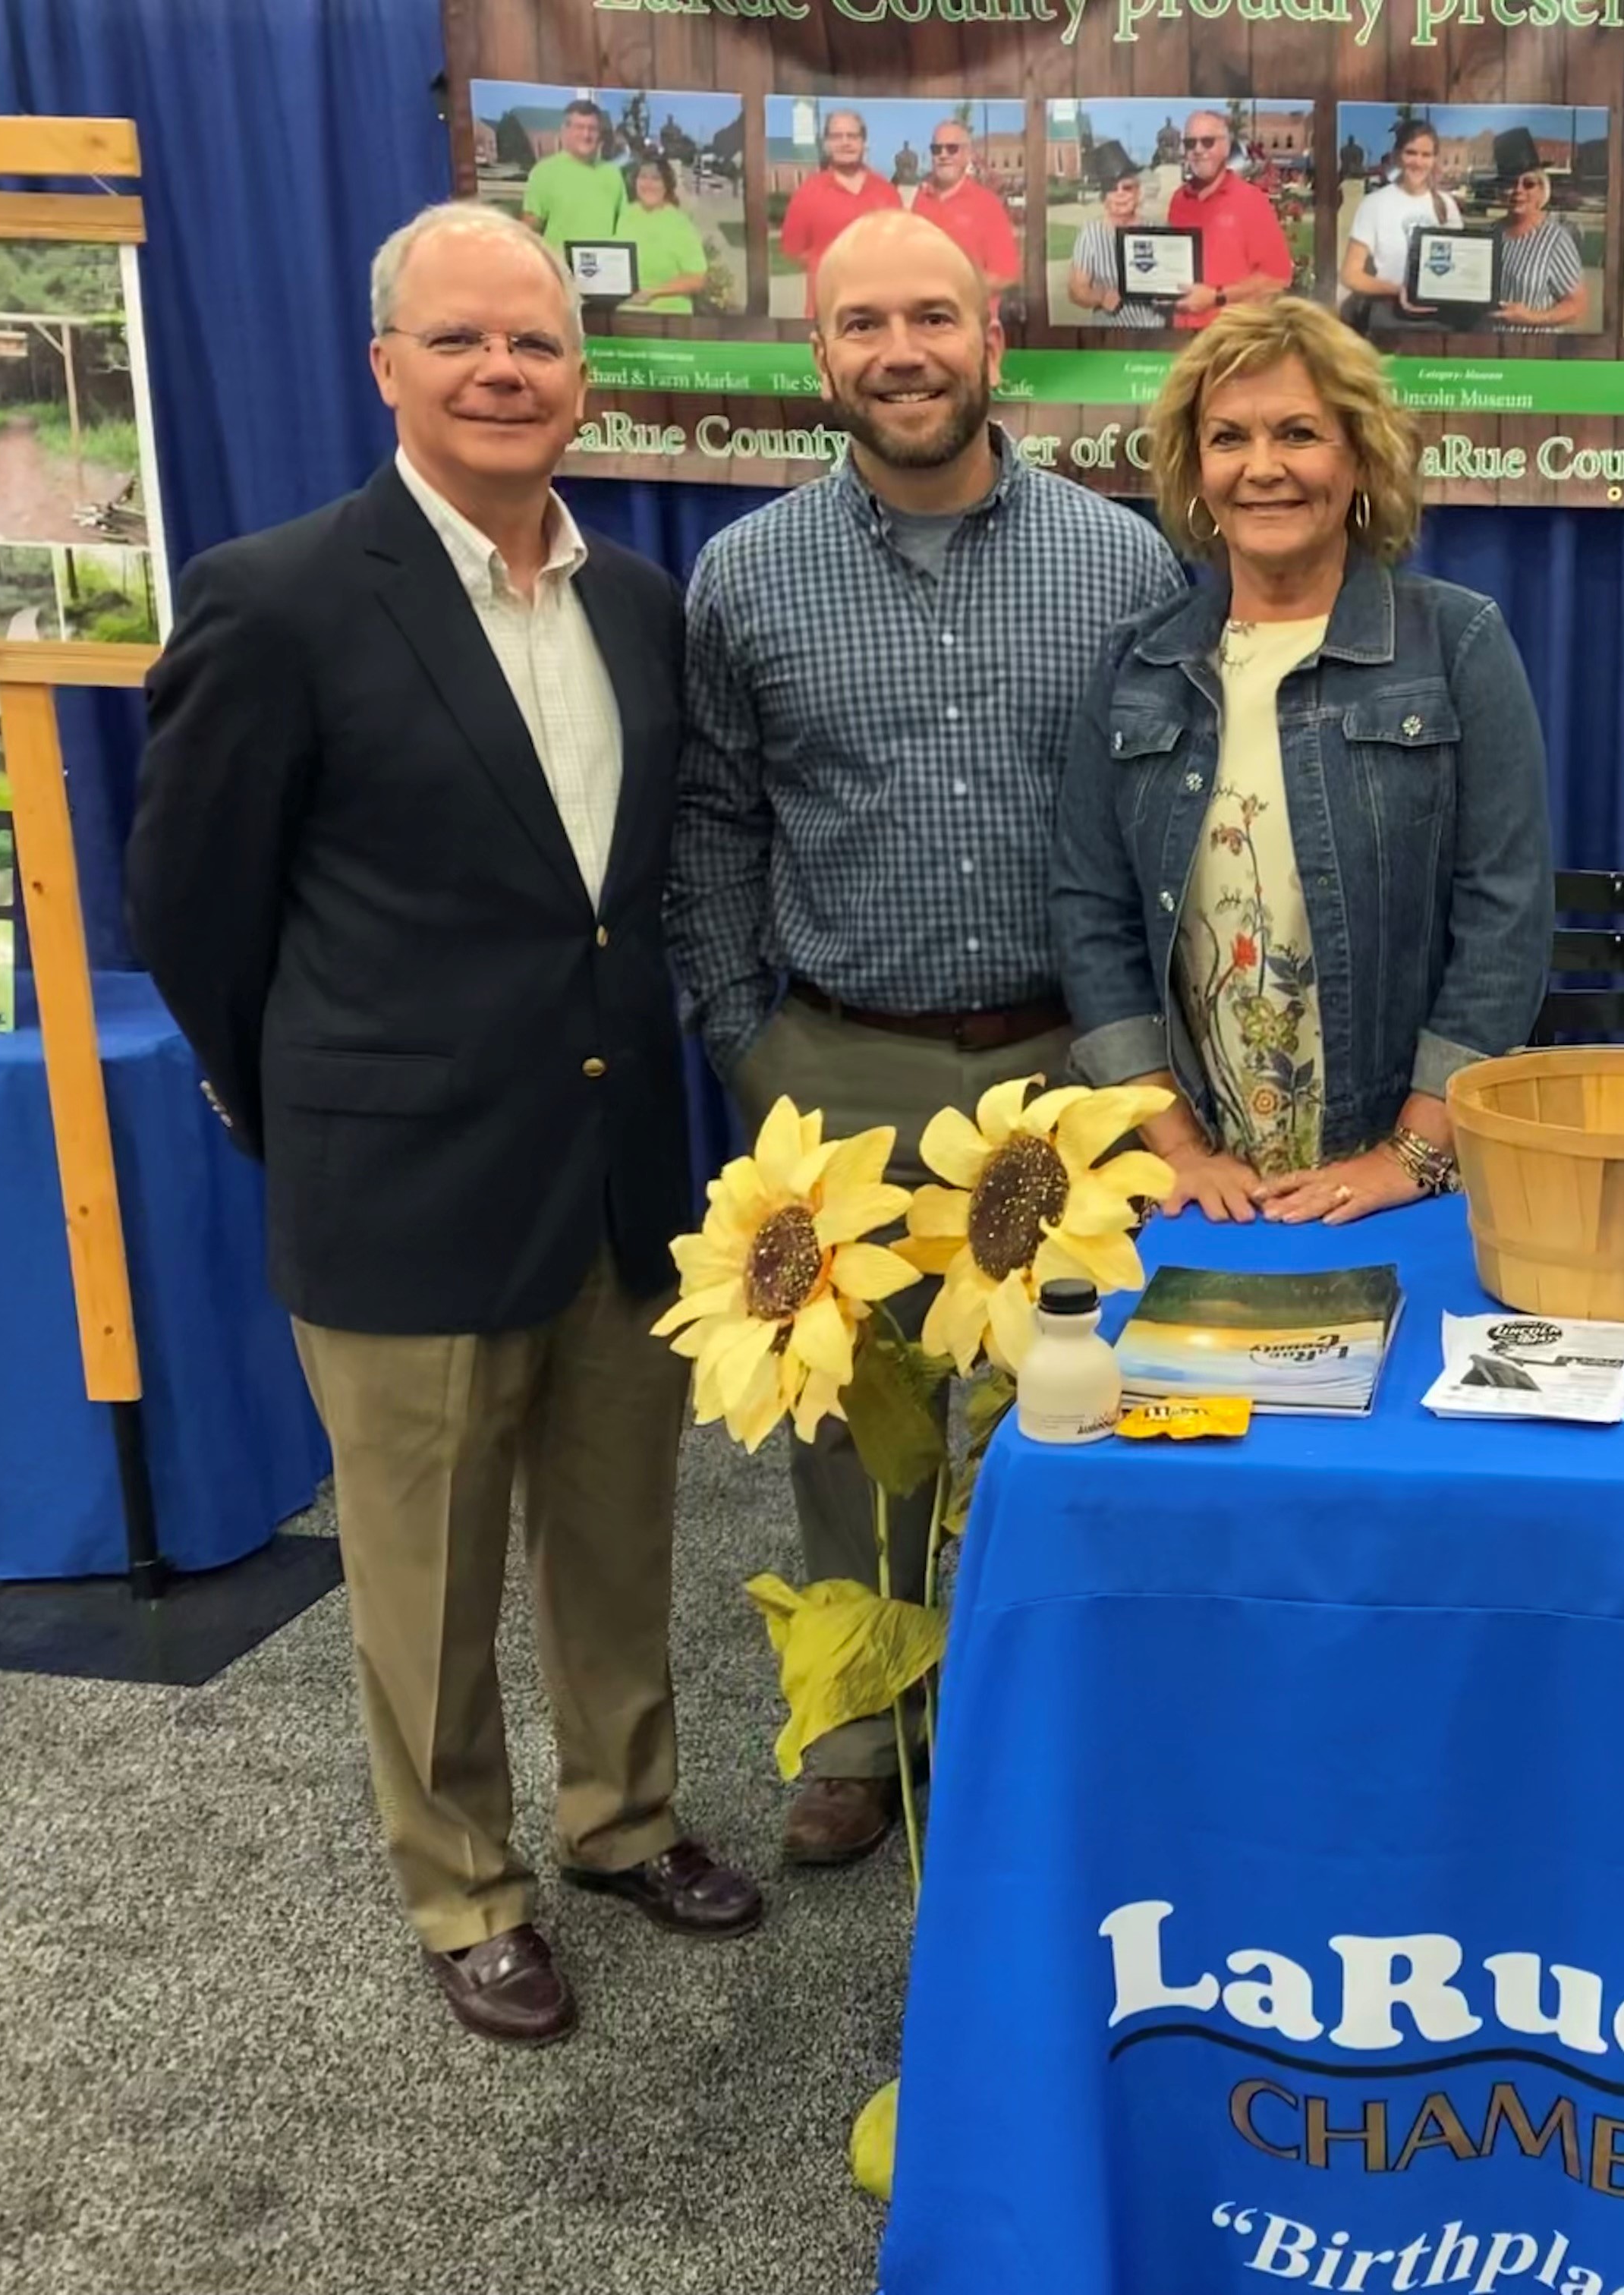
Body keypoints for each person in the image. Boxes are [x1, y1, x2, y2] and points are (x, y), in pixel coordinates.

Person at [127, 203, 760, 2047]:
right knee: (424, 1577)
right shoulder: (281, 597)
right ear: (387, 366)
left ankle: (621, 1818)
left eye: (538, 344)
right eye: (465, 341)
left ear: (582, 378)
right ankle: (464, 1885)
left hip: (620, 1172)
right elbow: (192, 906)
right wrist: (299, 1102)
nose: (505, 372)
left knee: (617, 1531)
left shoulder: (640, 600)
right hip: (397, 1183)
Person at [670, 212, 1184, 1866]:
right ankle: (856, 1727)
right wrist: (757, 1055)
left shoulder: (1123, 561)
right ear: (820, 359)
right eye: (864, 322)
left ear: (994, 343)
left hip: (1077, 1066)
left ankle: (1061, 1717)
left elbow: (1170, 821)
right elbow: (714, 832)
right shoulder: (744, 578)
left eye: (934, 317)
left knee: (1076, 1411)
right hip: (845, 1063)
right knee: (846, 1420)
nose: (903, 350)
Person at [1053, 298, 1552, 1228]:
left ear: (1358, 458)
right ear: (1195, 471)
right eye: (1228, 438)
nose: (1263, 467)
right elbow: (1092, 918)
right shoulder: (1134, 670)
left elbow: (1506, 915)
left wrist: (1407, 1155)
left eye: (1299, 433)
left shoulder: (1457, 643)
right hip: (1207, 1201)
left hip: (1405, 1191)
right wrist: (1181, 1154)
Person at [1169, 110, 1295, 330]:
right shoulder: (1179, 200)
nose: (1198, 150)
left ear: (1226, 147)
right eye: (1190, 143)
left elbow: (1277, 278)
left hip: (1232, 336)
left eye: (1208, 142)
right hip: (1182, 334)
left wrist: (1216, 297)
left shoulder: (1251, 201)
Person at [1341, 119, 1459, 335]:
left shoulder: (1447, 205)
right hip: (1390, 321)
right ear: (1397, 156)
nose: (1418, 162)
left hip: (1440, 323)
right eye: (1411, 153)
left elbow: (1457, 267)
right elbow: (1350, 274)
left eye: (1426, 155)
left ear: (1434, 159)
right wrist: (1397, 290)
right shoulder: (1374, 204)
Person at [778, 109, 902, 312]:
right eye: (837, 136)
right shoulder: (808, 193)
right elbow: (794, 251)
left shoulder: (887, 194)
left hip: (877, 310)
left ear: (864, 143)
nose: (845, 143)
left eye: (852, 136)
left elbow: (898, 251)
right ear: (826, 144)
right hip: (825, 311)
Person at [912, 121, 1023, 300]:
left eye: (952, 149)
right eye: (936, 149)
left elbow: (1006, 275)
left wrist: (955, 290)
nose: (943, 155)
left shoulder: (987, 205)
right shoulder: (919, 200)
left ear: (968, 154)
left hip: (970, 321)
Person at [519, 98, 623, 265]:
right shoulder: (544, 172)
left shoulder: (613, 174)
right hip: (560, 274)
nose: (586, 135)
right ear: (565, 131)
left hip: (604, 274)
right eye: (579, 128)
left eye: (592, 129)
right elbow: (529, 231)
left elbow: (623, 228)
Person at [1490, 166, 1588, 332]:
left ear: (1542, 193)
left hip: (1533, 347)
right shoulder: (1490, 233)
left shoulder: (1555, 240)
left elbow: (1577, 306)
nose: (1518, 190)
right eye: (1511, 183)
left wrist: (1530, 318)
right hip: (1487, 348)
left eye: (1529, 184)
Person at [1068, 166, 1166, 329]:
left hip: (1157, 332)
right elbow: (1076, 290)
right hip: (1111, 334)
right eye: (1112, 189)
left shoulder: (1158, 229)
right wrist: (1100, 297)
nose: (1120, 194)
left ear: (1138, 193)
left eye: (1127, 188)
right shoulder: (1091, 234)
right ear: (1105, 197)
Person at [618, 153, 710, 315]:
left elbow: (697, 278)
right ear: (635, 181)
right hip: (624, 316)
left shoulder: (680, 224)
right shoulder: (624, 215)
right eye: (643, 177)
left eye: (656, 178)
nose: (649, 184)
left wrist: (653, 293)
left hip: (669, 318)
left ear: (666, 184)